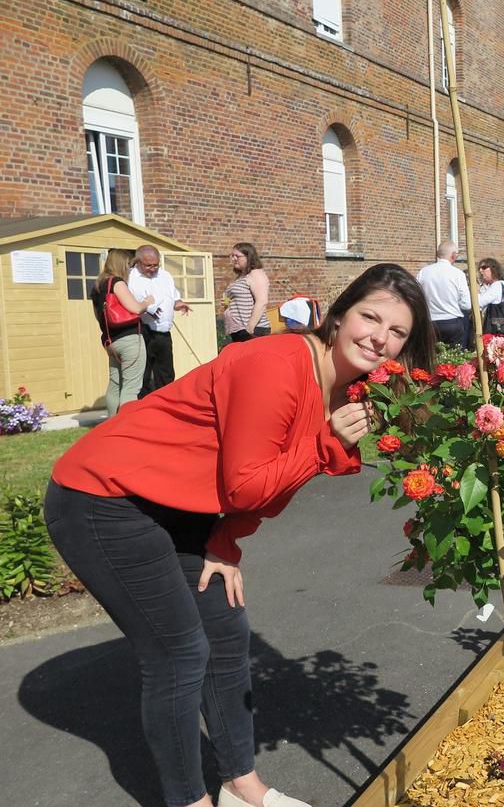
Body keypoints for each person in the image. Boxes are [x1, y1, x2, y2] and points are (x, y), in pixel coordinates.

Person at [44, 263, 435, 807]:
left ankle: (241, 787)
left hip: (179, 504)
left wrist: (227, 542)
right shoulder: (278, 365)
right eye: (371, 317)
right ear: (339, 314)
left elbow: (274, 479)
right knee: (178, 655)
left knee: (226, 633)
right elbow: (252, 484)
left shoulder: (347, 390)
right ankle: (189, 800)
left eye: (397, 332)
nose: (380, 338)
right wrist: (324, 444)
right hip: (104, 497)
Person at [92, 248, 155, 416]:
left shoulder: (98, 285)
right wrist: (147, 302)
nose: (129, 268)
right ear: (121, 264)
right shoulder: (117, 282)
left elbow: (98, 316)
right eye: (128, 264)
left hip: (110, 341)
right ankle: (126, 429)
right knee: (131, 387)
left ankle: (111, 426)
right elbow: (134, 307)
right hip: (129, 340)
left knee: (115, 384)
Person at [128, 245, 192, 397]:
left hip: (163, 332)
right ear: (138, 262)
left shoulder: (165, 275)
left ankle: (165, 407)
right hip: (142, 330)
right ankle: (144, 409)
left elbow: (174, 298)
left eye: (156, 264)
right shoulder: (130, 277)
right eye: (148, 265)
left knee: (166, 374)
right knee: (143, 375)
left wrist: (179, 304)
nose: (152, 268)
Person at [416, 240, 471, 348]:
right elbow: (466, 304)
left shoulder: (424, 272)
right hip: (452, 322)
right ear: (454, 256)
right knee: (454, 360)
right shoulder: (458, 274)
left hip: (430, 322)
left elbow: (417, 296)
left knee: (430, 358)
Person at [224, 243, 271, 342]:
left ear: (248, 257)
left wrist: (250, 328)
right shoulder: (242, 276)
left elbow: (262, 301)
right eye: (232, 256)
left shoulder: (256, 274)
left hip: (253, 331)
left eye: (237, 256)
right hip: (239, 330)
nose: (233, 259)